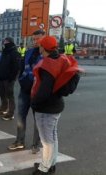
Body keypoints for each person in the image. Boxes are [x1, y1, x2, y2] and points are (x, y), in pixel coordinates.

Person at [31, 36, 80, 175]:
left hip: (46, 107)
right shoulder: (61, 58)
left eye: (40, 45)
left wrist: (34, 103)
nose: (38, 46)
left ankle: (45, 168)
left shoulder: (48, 65)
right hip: (56, 104)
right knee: (52, 136)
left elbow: (44, 90)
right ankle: (51, 163)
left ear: (43, 48)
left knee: (46, 139)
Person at [7, 30, 45, 153]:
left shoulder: (45, 55)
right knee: (21, 116)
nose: (35, 41)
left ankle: (35, 145)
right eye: (33, 39)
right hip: (24, 89)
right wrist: (21, 79)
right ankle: (19, 141)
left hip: (37, 92)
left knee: (37, 119)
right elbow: (22, 67)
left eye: (37, 39)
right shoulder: (28, 52)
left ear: (44, 39)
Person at [0, 37, 20, 120]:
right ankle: (3, 108)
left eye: (6, 41)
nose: (4, 43)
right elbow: (1, 64)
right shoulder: (4, 52)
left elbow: (16, 67)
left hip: (9, 78)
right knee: (2, 94)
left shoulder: (14, 52)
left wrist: (12, 78)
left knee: (10, 95)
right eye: (4, 41)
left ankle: (11, 113)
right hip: (1, 76)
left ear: (10, 42)